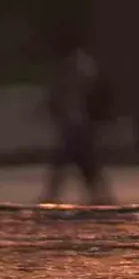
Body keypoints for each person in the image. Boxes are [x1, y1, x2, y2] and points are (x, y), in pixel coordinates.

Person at [41, 29, 115, 205]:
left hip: (77, 123)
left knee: (68, 160)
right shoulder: (82, 64)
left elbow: (71, 95)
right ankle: (101, 198)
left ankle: (51, 196)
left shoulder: (76, 65)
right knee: (84, 163)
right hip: (77, 122)